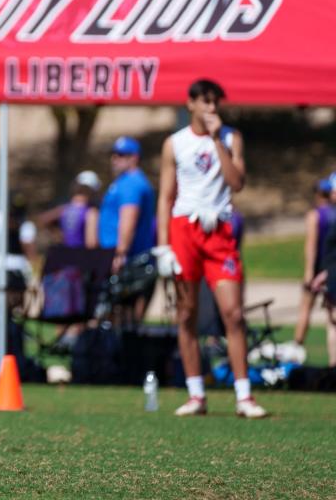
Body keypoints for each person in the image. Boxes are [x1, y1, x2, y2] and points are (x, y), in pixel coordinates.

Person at [155, 78, 267, 419]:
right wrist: (163, 246)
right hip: (184, 228)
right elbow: (166, 196)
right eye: (205, 101)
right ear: (190, 103)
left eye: (216, 102)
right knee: (186, 313)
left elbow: (237, 182)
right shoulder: (174, 143)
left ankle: (243, 395)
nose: (212, 108)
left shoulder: (231, 138)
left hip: (218, 229)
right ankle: (195, 393)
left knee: (232, 314)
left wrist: (218, 140)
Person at [99, 137, 157, 274]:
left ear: (134, 158)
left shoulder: (132, 183)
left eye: (121, 154)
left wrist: (121, 253)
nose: (114, 159)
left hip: (127, 258)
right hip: (115, 255)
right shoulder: (123, 182)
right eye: (113, 154)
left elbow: (129, 217)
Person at [293, 177, 335, 351]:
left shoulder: (315, 215)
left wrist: (309, 273)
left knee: (305, 309)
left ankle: (297, 346)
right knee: (331, 318)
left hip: (320, 270)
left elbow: (311, 245)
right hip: (332, 271)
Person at [36, 170, 101, 248]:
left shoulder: (64, 209)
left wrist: (58, 236)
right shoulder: (91, 212)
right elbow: (91, 243)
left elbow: (43, 219)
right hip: (82, 256)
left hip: (65, 253)